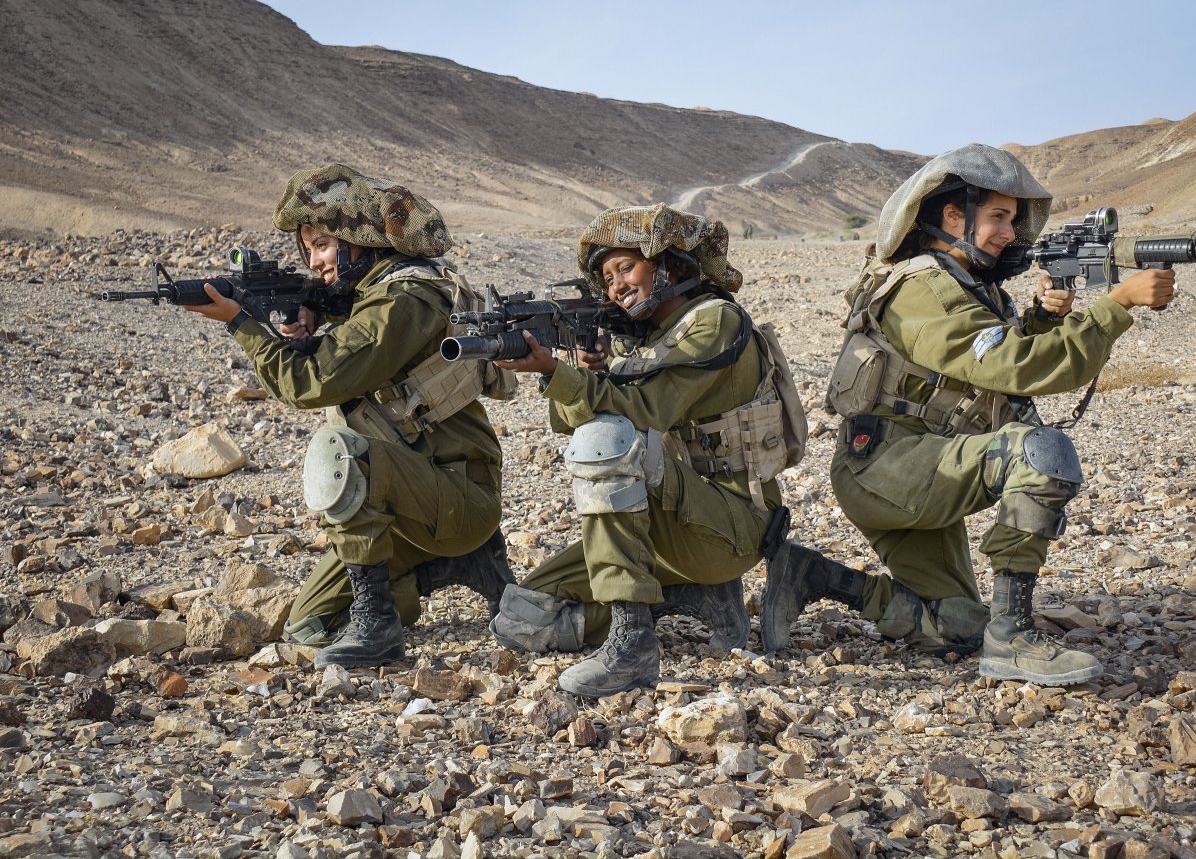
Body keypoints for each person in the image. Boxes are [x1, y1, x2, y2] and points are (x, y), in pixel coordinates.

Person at [762, 143, 1175, 686]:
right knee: (1039, 451)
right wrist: (1116, 306)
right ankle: (1014, 642)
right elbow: (1018, 367)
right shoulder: (922, 288)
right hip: (887, 469)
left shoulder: (970, 288)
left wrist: (1040, 317)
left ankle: (816, 576)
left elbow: (989, 361)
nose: (1011, 233)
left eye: (1012, 219)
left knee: (958, 628)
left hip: (918, 464)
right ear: (953, 216)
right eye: (999, 217)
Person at [182, 164, 515, 668]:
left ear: (360, 240)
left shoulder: (407, 298)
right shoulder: (366, 298)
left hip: (461, 498)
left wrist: (241, 324)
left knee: (343, 456)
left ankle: (380, 626)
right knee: (309, 625)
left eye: (322, 245)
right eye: (308, 248)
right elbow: (348, 340)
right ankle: (446, 567)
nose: (314, 262)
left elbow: (310, 382)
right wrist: (313, 320)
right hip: (411, 504)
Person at [490, 203, 805, 697]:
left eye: (626, 267)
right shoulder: (644, 339)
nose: (616, 285)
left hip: (733, 525)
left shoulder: (714, 321)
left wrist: (557, 373)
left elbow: (645, 410)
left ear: (670, 263)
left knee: (609, 442)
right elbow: (565, 419)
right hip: (668, 521)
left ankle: (632, 644)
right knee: (523, 617)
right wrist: (584, 371)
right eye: (606, 276)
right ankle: (689, 594)